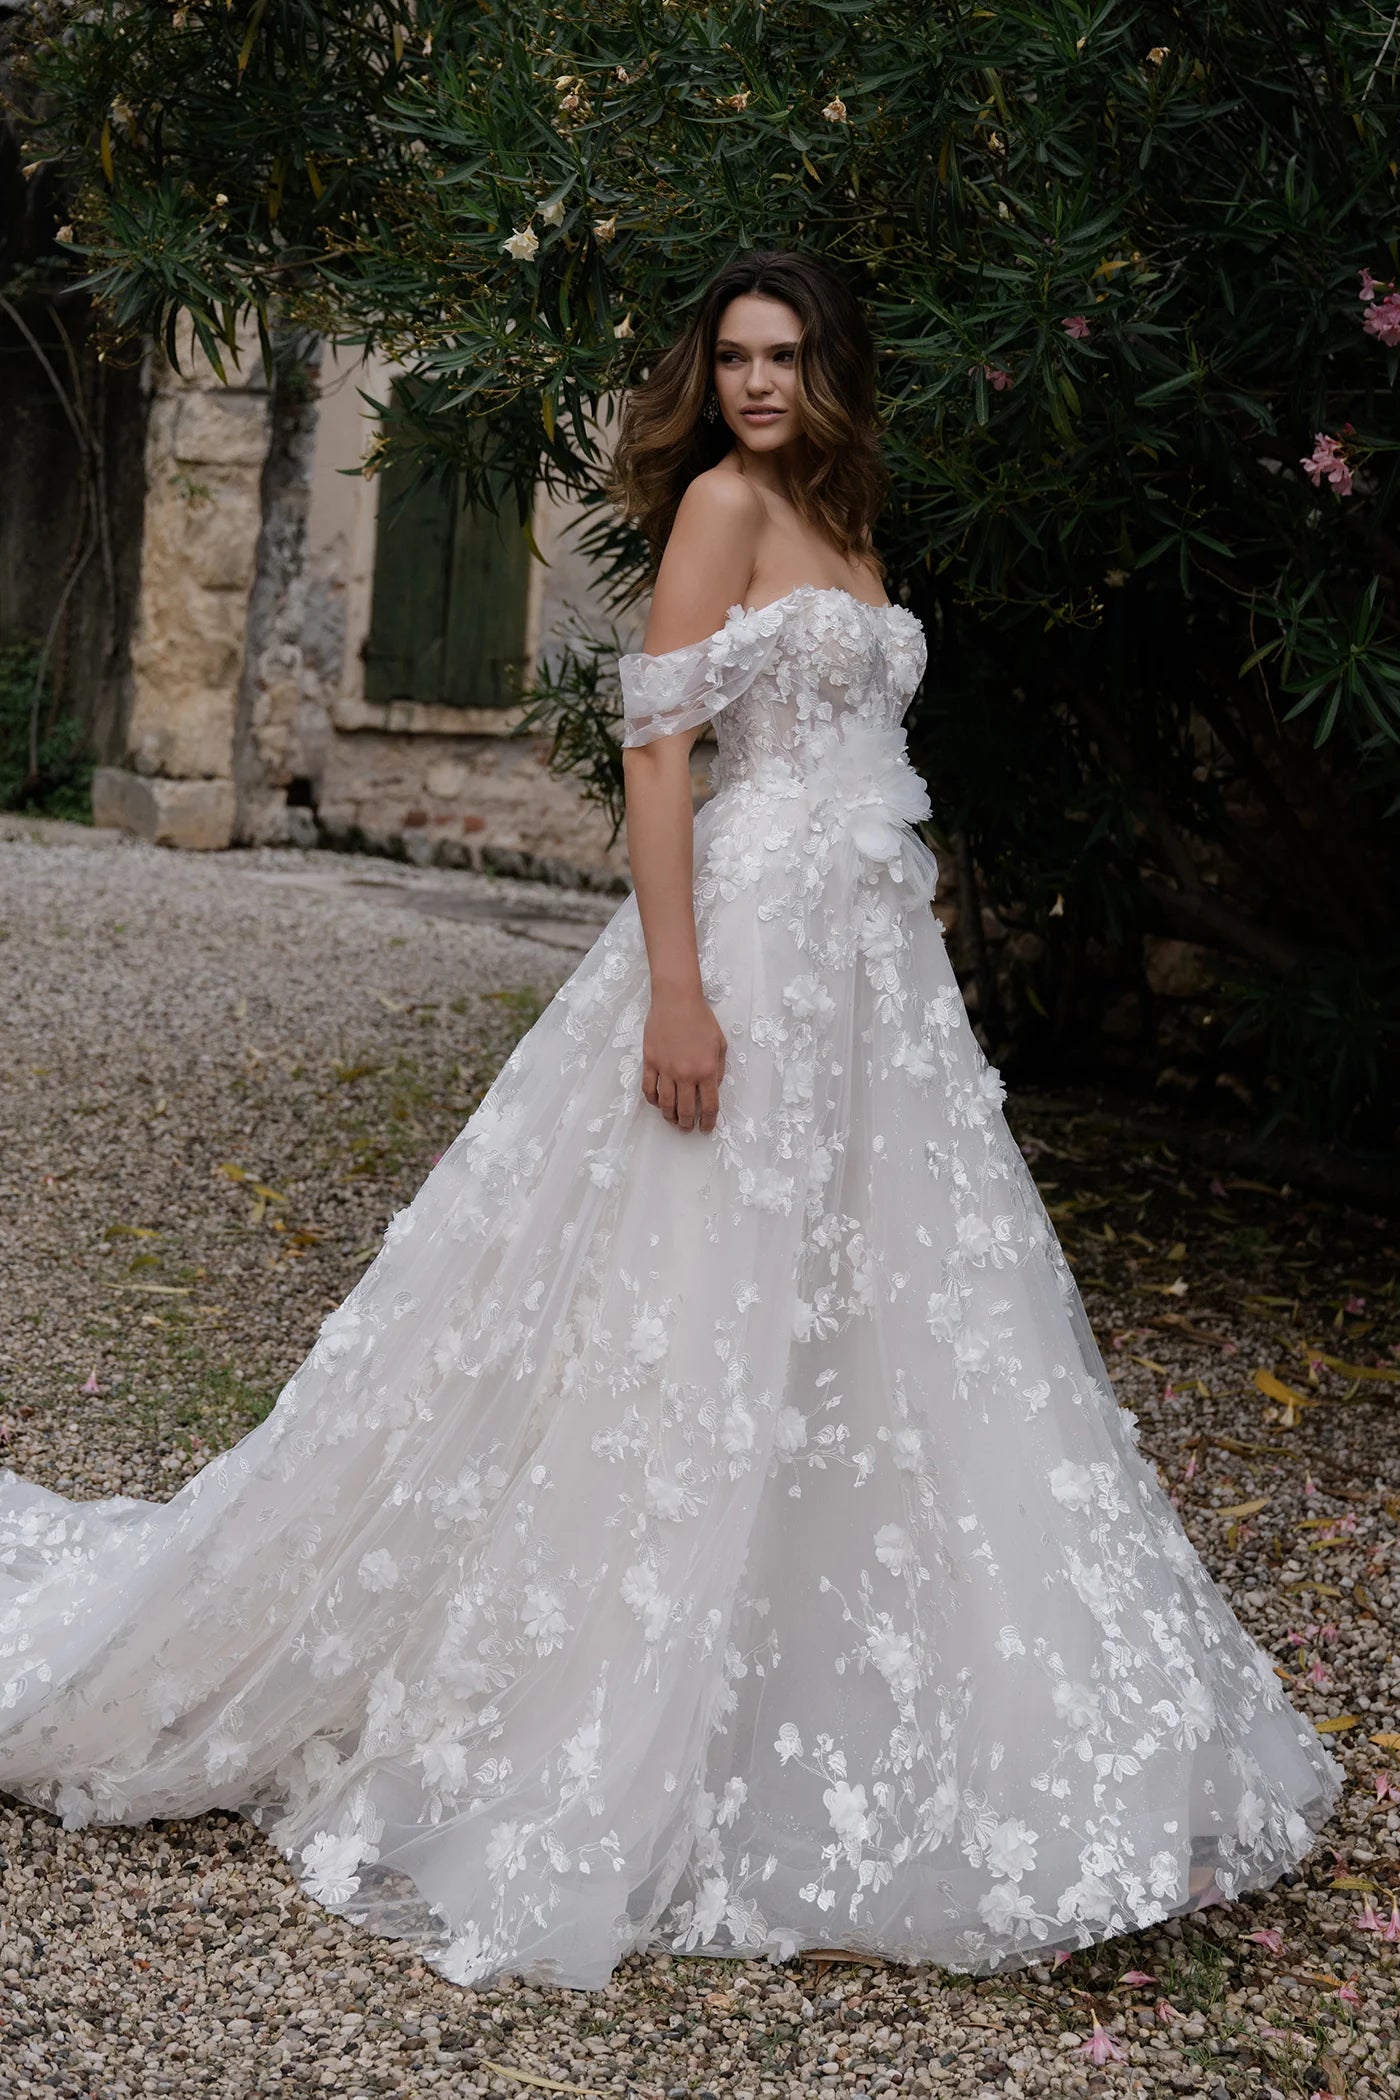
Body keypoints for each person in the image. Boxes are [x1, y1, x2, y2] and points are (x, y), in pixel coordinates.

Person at [0, 249, 1340, 1995]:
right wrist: (682, 992)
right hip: (754, 943)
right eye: (734, 358)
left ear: (832, 367)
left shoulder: (842, 515)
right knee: (696, 1281)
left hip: (868, 973)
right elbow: (660, 757)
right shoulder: (721, 507)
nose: (757, 384)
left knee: (888, 1302)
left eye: (784, 355)